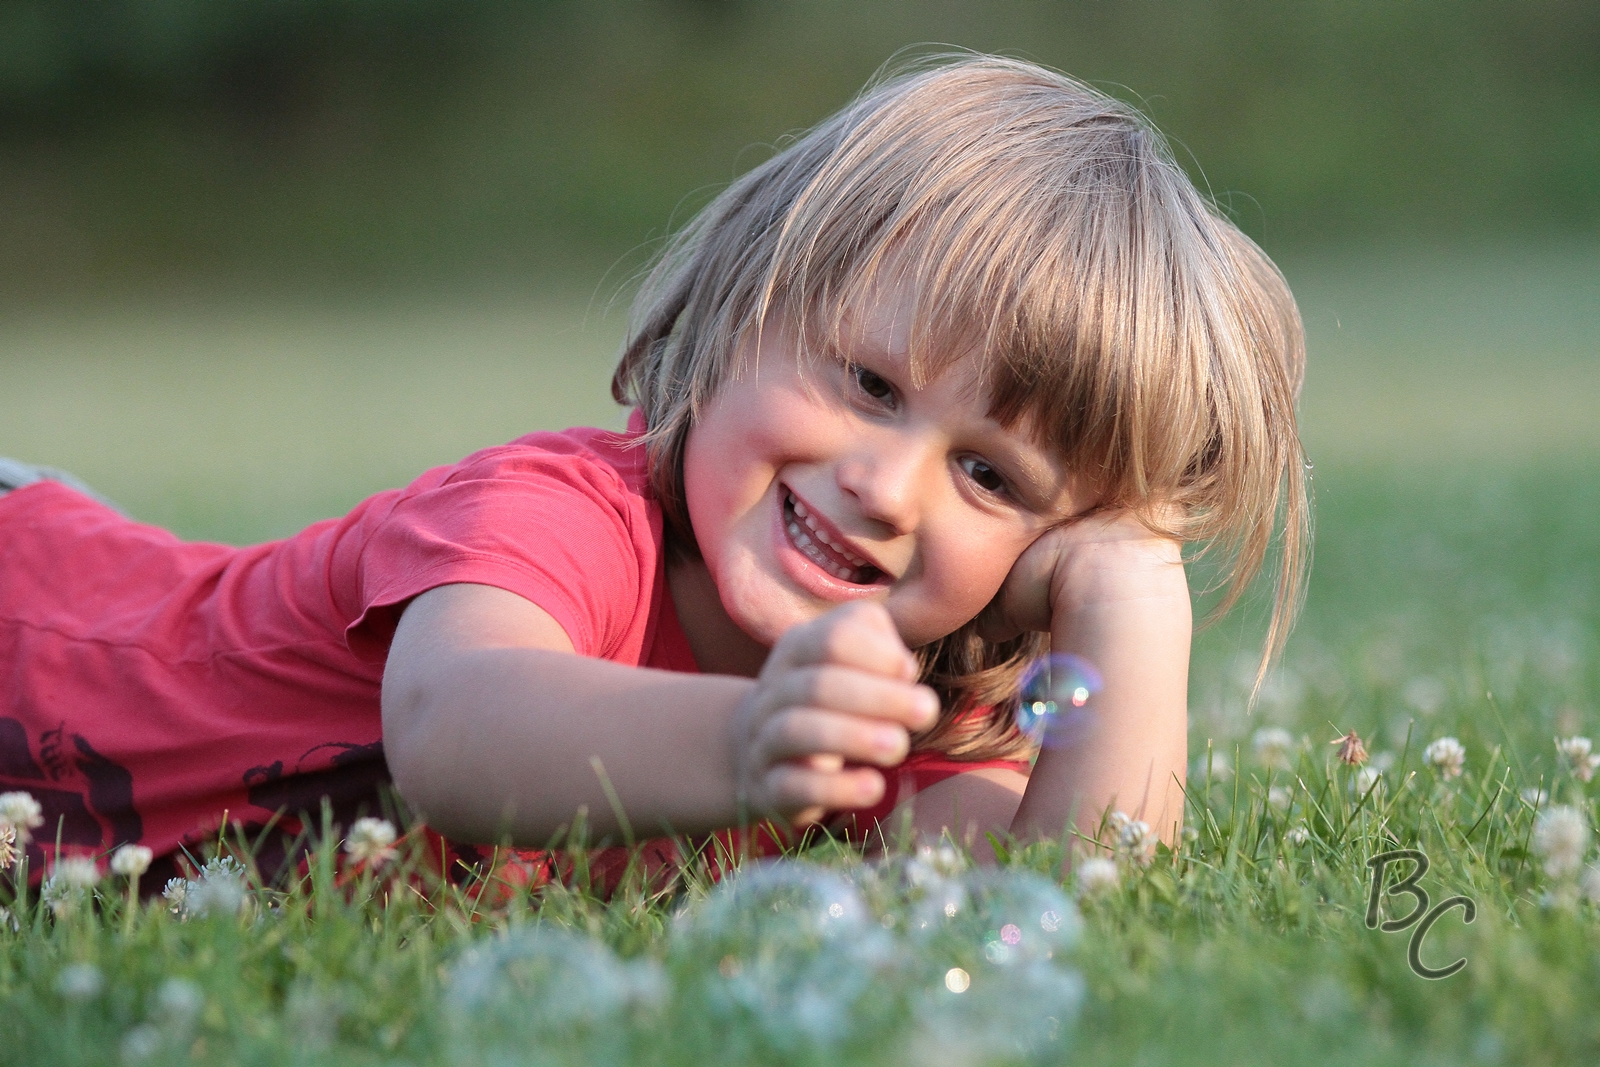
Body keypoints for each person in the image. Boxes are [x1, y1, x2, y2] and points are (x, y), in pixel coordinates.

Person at [0, 55, 1306, 886]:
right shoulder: (566, 514)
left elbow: (1067, 897)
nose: (890, 487)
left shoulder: (901, 714)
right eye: (868, 386)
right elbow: (454, 728)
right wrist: (749, 738)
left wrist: (1134, 599)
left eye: (994, 478)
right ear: (747, 309)